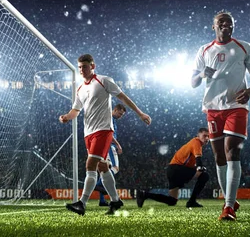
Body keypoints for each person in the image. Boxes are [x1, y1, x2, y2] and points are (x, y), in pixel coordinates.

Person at [191, 10, 250, 221]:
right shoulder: (204, 50)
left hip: (236, 107)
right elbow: (193, 83)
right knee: (219, 157)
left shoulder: (244, 47)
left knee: (232, 152)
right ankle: (228, 200)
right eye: (220, 22)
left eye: (229, 22)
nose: (225, 24)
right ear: (213, 26)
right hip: (212, 108)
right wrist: (204, 73)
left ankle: (229, 207)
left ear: (233, 26)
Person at [59, 54, 151, 216]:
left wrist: (140, 113)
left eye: (85, 66)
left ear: (92, 66)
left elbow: (122, 97)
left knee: (90, 165)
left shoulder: (103, 80)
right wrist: (67, 117)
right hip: (88, 133)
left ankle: (82, 203)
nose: (81, 70)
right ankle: (116, 201)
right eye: (79, 67)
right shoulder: (80, 88)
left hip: (103, 130)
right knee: (102, 167)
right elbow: (76, 110)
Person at [136, 127, 210, 208]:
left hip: (172, 170)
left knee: (172, 201)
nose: (206, 138)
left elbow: (192, 163)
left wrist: (199, 168)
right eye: (204, 136)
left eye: (208, 136)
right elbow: (198, 160)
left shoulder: (193, 143)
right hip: (177, 169)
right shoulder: (196, 142)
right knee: (204, 176)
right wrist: (200, 167)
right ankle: (191, 202)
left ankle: (144, 194)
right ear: (198, 136)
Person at [96, 104, 126, 207]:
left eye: (122, 115)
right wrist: (118, 145)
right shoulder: (109, 118)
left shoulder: (110, 119)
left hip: (103, 146)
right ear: (115, 109)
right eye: (120, 113)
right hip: (109, 146)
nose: (120, 116)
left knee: (105, 170)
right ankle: (98, 185)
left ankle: (102, 200)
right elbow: (109, 134)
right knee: (115, 168)